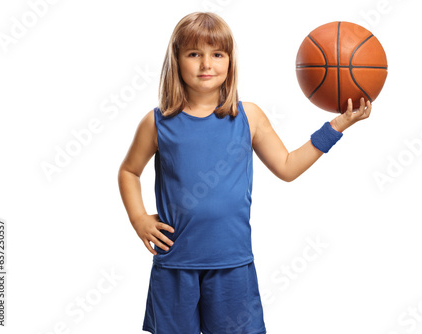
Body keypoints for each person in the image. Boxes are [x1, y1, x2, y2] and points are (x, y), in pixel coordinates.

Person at [118, 11, 371, 334]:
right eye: (194, 54)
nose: (206, 64)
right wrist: (139, 218)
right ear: (177, 60)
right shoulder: (157, 122)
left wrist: (335, 127)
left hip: (232, 266)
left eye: (217, 54)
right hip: (175, 265)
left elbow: (288, 166)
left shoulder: (248, 116)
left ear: (230, 60)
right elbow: (128, 171)